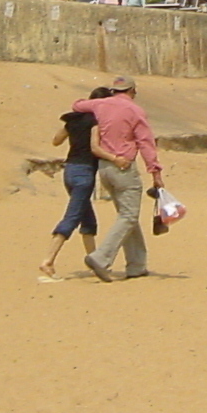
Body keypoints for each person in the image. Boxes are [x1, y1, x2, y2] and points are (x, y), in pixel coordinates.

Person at [75, 75, 166, 282]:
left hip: (105, 167)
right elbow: (146, 144)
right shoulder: (135, 110)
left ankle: (137, 264)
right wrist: (156, 173)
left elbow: (77, 105)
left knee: (128, 215)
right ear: (132, 91)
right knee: (129, 216)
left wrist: (94, 107)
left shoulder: (100, 104)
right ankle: (101, 257)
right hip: (124, 167)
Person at [38, 87, 123, 278]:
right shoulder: (95, 123)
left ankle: (94, 261)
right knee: (73, 216)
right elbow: (96, 146)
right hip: (84, 173)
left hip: (69, 170)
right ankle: (48, 260)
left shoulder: (72, 119)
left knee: (88, 220)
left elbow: (56, 141)